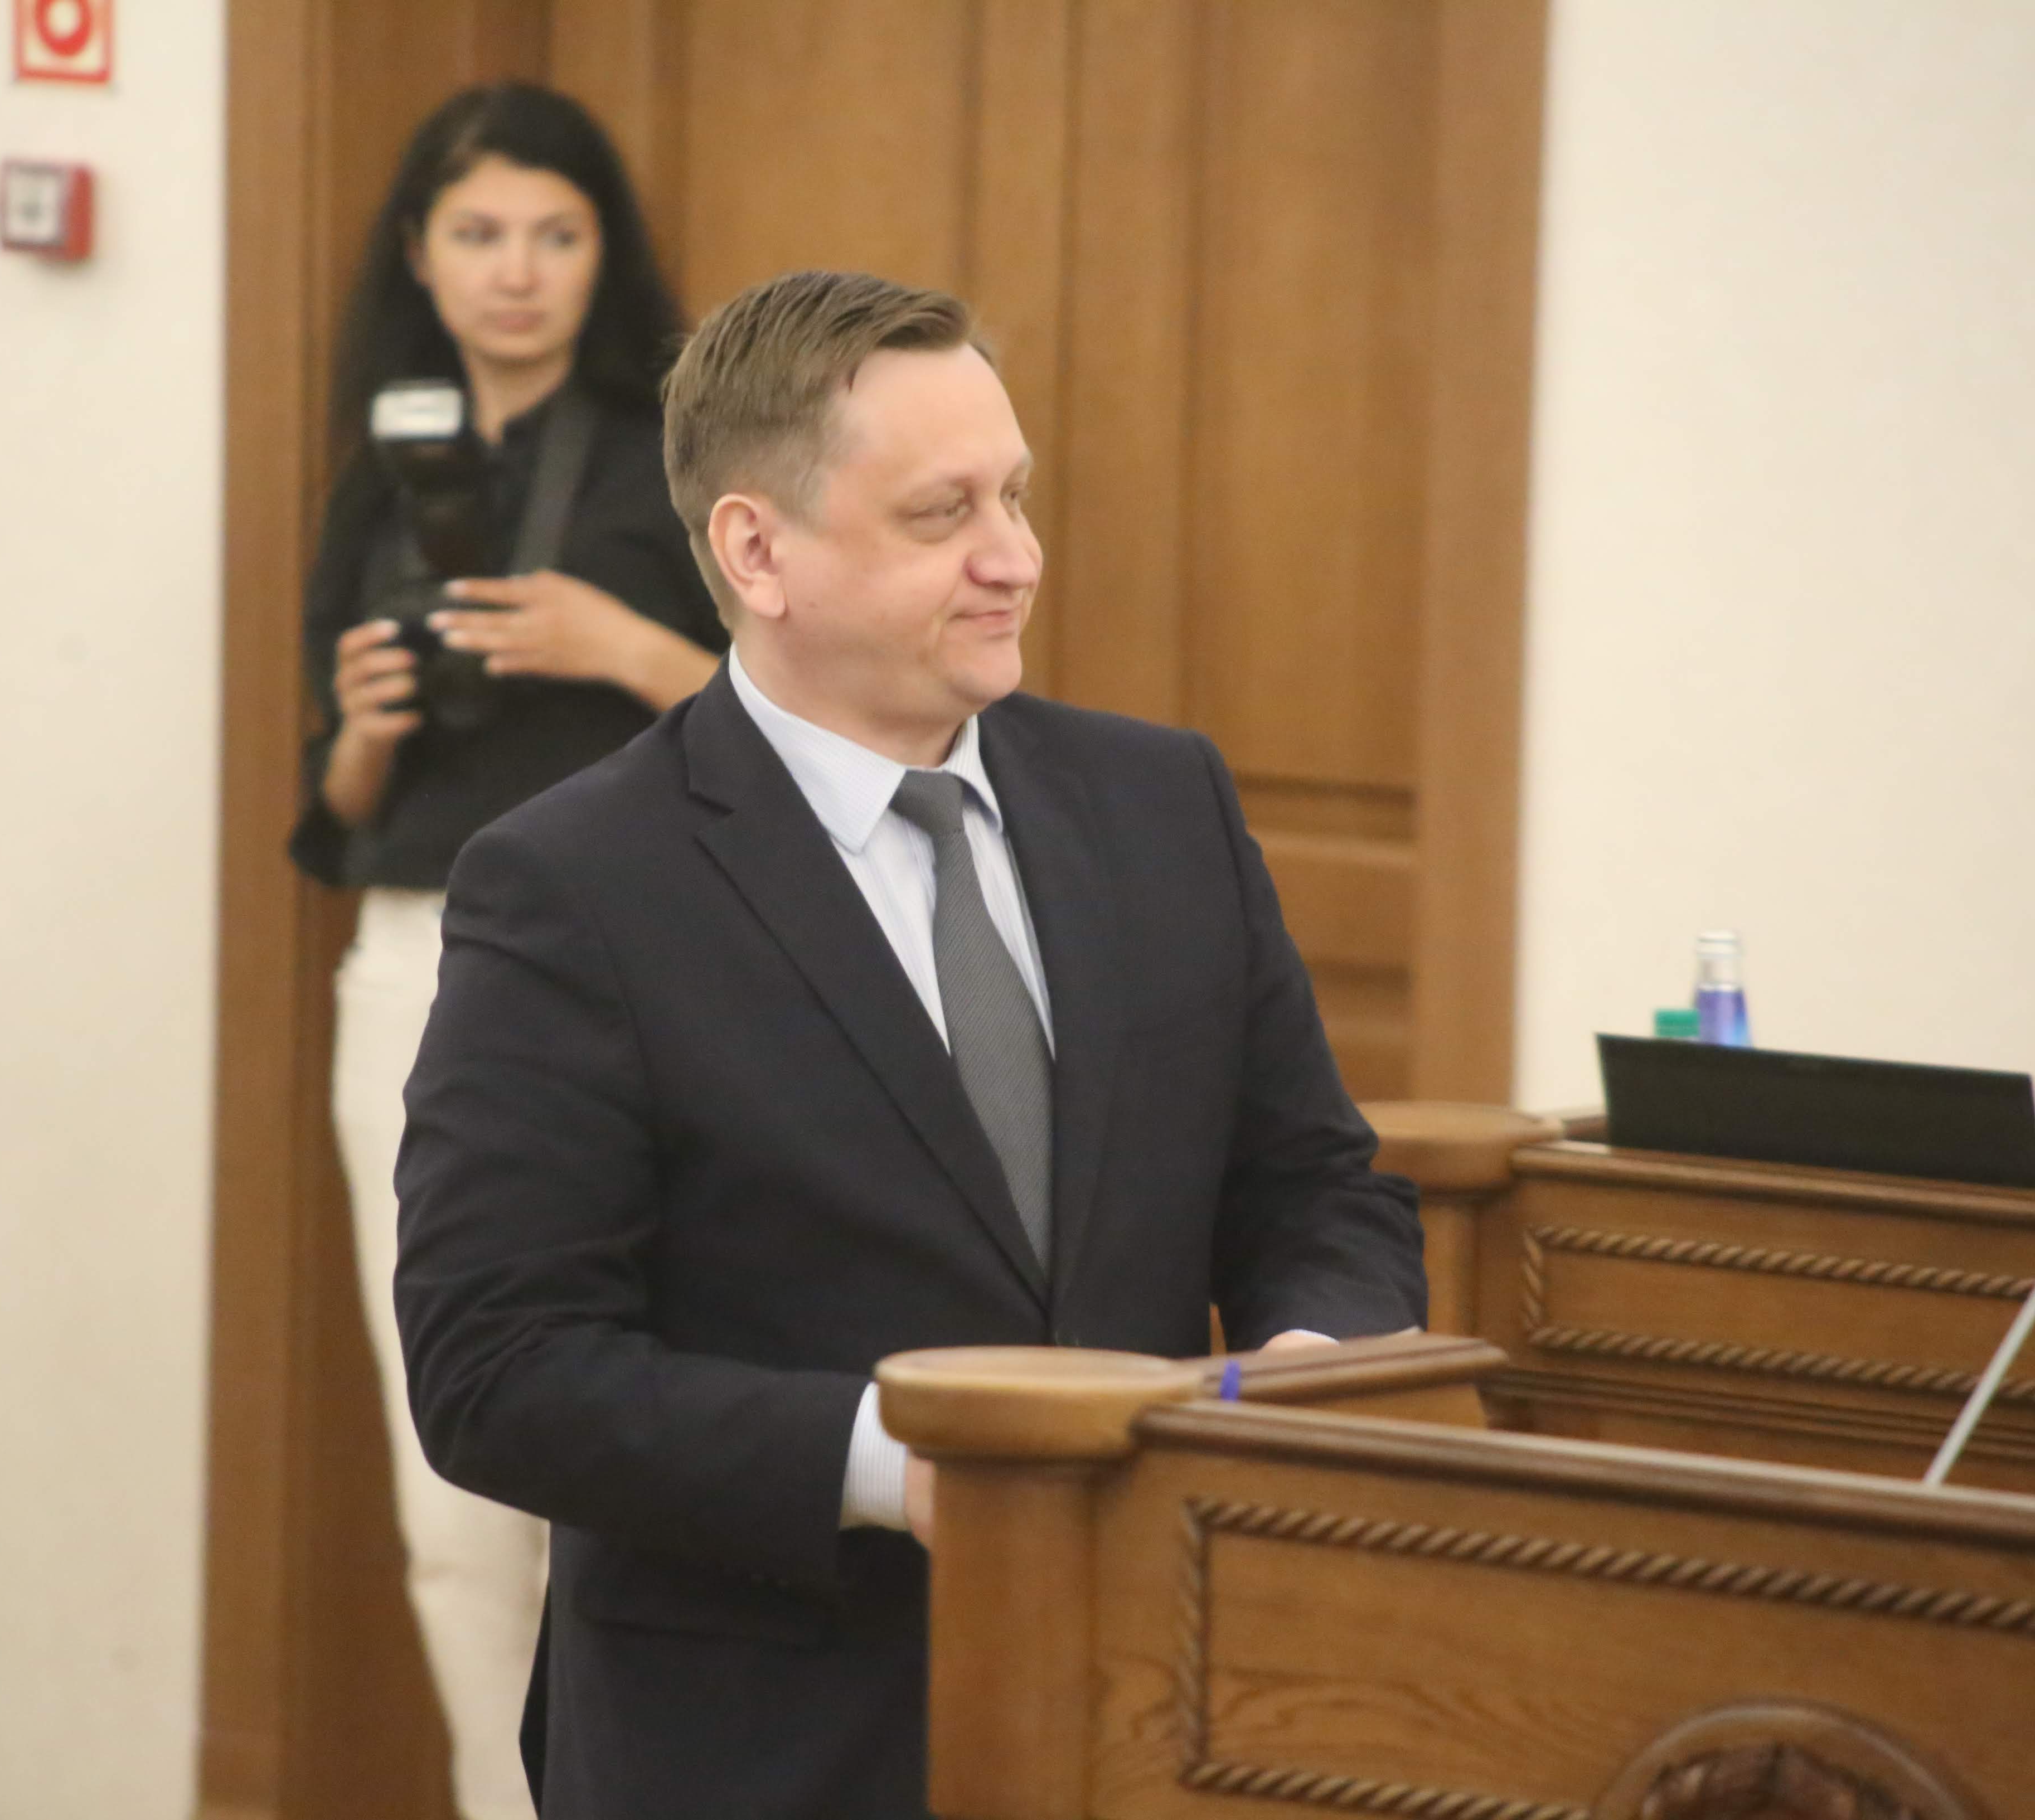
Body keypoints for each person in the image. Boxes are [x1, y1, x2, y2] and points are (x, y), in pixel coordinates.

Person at [393, 270, 1427, 1819]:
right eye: (944, 514)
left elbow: (1316, 1188)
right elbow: (499, 1367)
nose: (1015, 557)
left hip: (1160, 1714)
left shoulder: (1164, 805)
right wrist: (904, 1460)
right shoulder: (573, 885)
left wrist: (1308, 1371)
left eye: (1015, 496)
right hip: (762, 1747)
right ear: (757, 550)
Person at [284, 84, 723, 1820]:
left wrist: (622, 644)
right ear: (418, 253)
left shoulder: (676, 453)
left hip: (662, 969)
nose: (515, 271)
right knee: (455, 1495)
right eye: (477, 233)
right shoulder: (377, 468)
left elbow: (808, 733)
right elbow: (331, 817)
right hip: (416, 960)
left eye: (555, 232)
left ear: (606, 250)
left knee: (656, 1456)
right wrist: (365, 725)